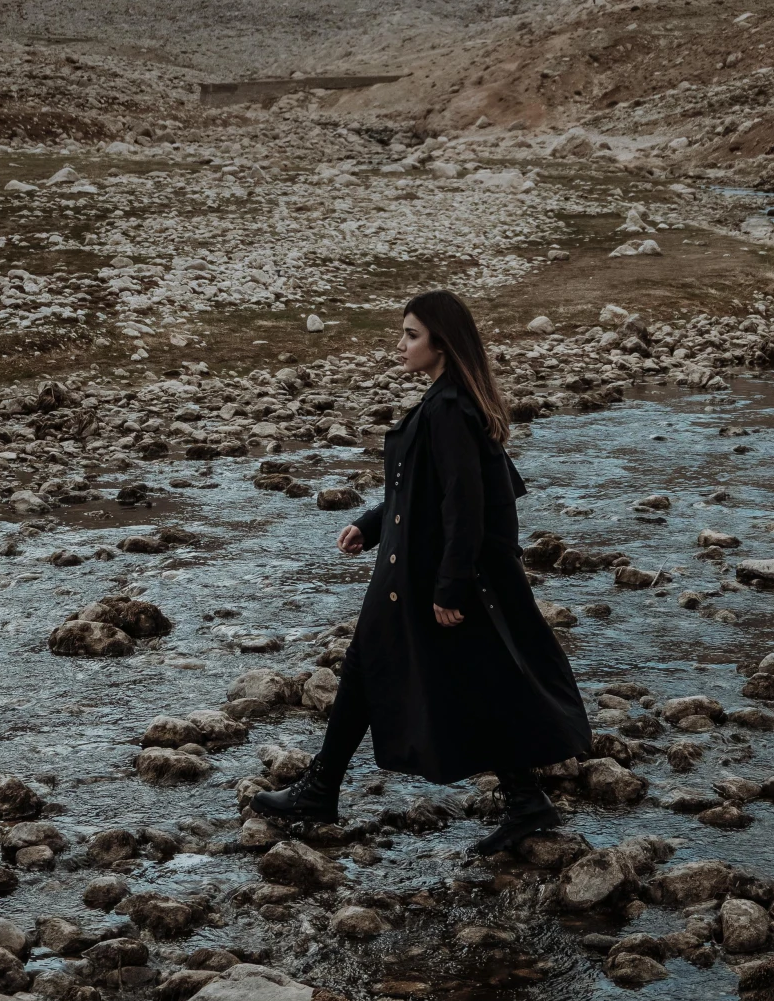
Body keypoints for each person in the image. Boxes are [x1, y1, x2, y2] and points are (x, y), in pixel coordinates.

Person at [253, 288, 591, 857]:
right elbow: (421, 490)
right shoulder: (448, 400)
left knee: (458, 677)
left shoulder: (450, 409)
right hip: (418, 565)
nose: (402, 344)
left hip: (435, 574)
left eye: (412, 334)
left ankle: (521, 801)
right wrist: (371, 522)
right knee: (385, 665)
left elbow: (465, 505)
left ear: (442, 341)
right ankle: (325, 788)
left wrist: (450, 587)